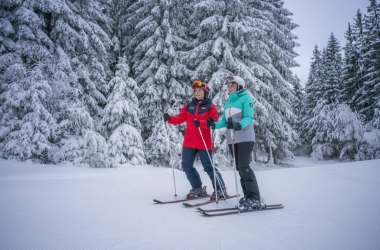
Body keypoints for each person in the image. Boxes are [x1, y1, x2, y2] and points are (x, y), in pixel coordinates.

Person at [163, 80, 227, 200]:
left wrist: (202, 123)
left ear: (205, 92)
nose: (197, 93)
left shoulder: (210, 107)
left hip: (204, 142)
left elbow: (214, 122)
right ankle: (197, 188)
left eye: (199, 91)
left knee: (208, 167)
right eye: (195, 91)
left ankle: (220, 189)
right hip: (189, 142)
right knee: (186, 166)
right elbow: (179, 118)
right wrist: (170, 118)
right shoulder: (188, 106)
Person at [207, 75, 261, 210]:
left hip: (245, 137)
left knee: (244, 166)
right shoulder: (228, 102)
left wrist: (238, 125)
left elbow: (249, 118)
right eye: (228, 86)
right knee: (239, 168)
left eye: (232, 85)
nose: (229, 88)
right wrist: (214, 124)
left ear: (239, 86)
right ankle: (248, 197)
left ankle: (255, 198)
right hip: (233, 140)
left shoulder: (246, 98)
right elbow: (225, 122)